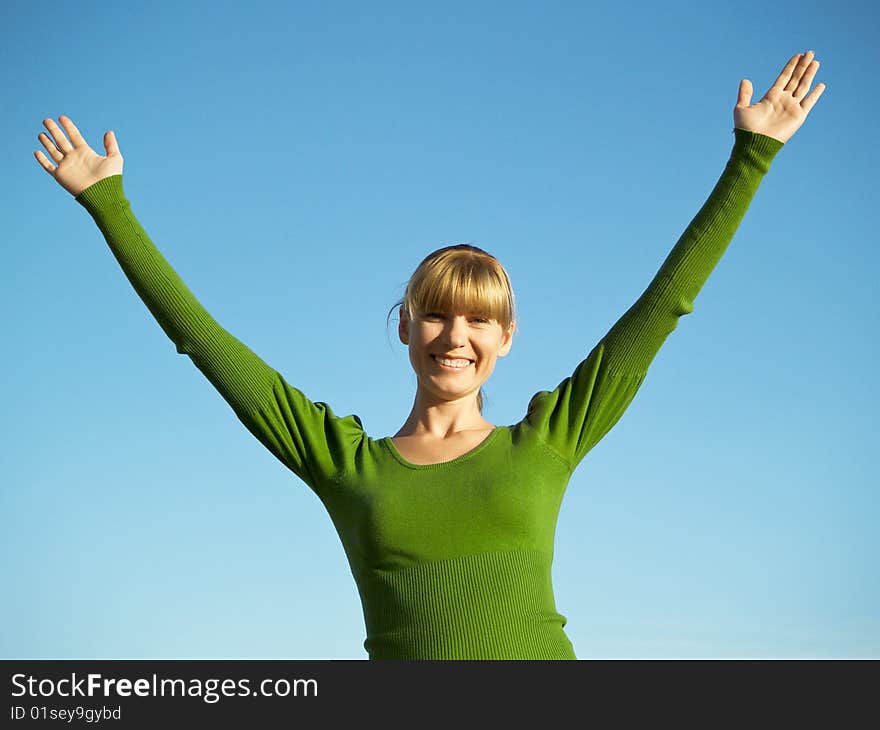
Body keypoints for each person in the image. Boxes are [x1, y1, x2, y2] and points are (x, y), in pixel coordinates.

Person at [34, 51, 825, 659]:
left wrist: (750, 160)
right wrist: (110, 207)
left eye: (480, 322)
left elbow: (661, 309)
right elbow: (203, 342)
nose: (457, 337)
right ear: (405, 327)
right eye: (437, 316)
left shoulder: (549, 441)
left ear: (505, 340)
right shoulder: (345, 464)